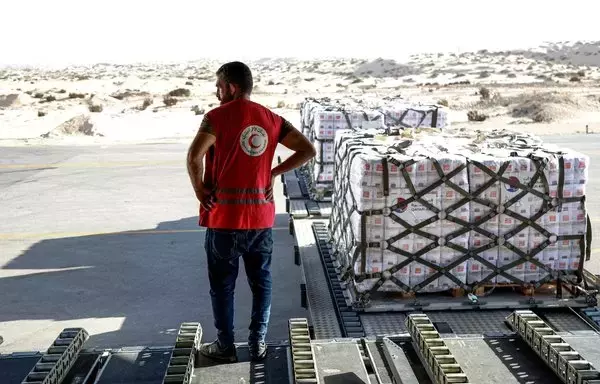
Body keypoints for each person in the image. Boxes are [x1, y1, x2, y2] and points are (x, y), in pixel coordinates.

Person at [186, 61, 316, 363]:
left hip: (223, 221)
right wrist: (274, 172)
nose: (217, 93)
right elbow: (307, 150)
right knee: (262, 284)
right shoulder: (271, 118)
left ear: (231, 87)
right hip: (260, 221)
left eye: (219, 87)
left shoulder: (215, 118)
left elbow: (194, 157)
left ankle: (225, 346)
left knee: (222, 287)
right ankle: (258, 344)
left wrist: (200, 192)